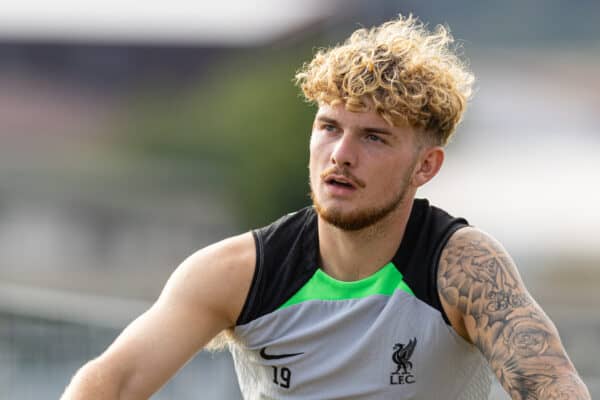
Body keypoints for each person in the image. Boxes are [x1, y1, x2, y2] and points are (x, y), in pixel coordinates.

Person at [61, 15, 590, 400]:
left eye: (374, 138)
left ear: (426, 167)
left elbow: (554, 387)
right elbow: (110, 383)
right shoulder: (236, 273)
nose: (341, 155)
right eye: (329, 127)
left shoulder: (464, 268)